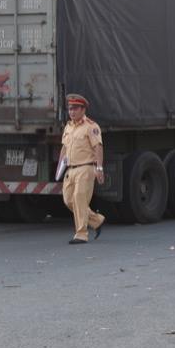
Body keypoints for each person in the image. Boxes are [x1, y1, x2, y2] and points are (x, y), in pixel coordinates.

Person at [59, 94, 106, 245]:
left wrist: (99, 168)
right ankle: (96, 220)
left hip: (85, 168)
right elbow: (64, 148)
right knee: (68, 200)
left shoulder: (91, 126)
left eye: (75, 108)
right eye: (70, 108)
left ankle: (81, 234)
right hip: (70, 169)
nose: (71, 111)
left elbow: (98, 147)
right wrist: (60, 166)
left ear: (83, 109)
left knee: (79, 198)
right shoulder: (68, 127)